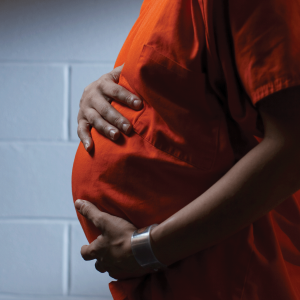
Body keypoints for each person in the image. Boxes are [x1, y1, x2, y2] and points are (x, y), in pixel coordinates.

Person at [72, 0, 300, 299]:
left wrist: (147, 248)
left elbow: (293, 148)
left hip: (229, 275)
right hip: (174, 276)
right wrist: (104, 88)